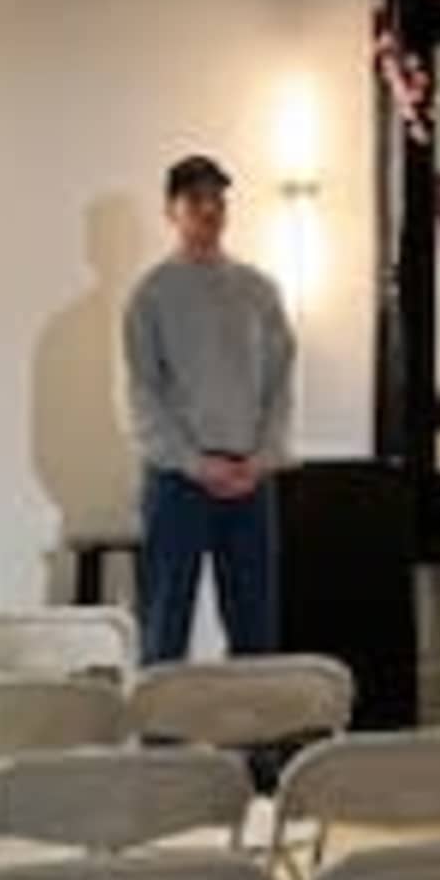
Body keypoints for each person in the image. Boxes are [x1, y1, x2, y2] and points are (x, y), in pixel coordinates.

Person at [121, 152, 297, 664]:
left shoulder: (258, 291)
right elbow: (143, 395)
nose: (209, 210)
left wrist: (261, 458)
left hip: (249, 477)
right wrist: (196, 464)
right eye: (195, 199)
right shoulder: (151, 295)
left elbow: (281, 383)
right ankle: (161, 742)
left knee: (255, 627)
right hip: (178, 480)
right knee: (165, 625)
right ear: (171, 211)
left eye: (218, 199)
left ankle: (258, 739)